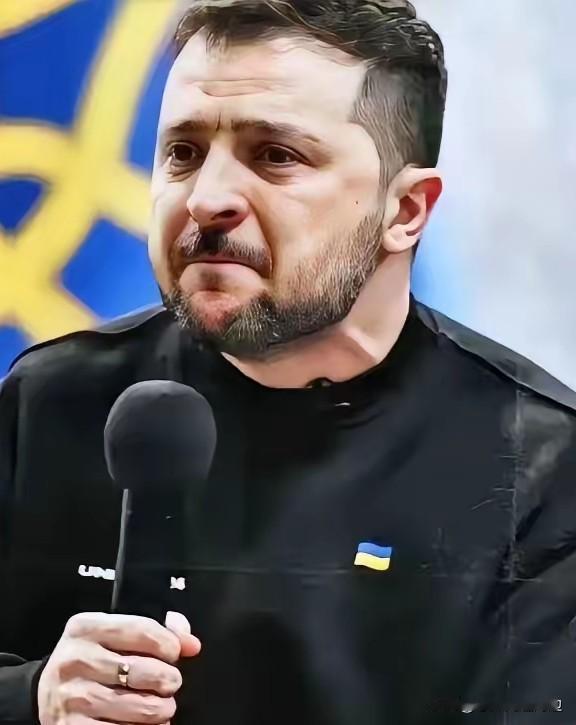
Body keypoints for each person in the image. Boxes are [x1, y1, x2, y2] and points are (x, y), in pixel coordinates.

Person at [1, 0, 575, 723]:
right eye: (183, 153)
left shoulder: (538, 468)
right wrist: (35, 697)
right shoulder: (52, 400)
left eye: (275, 155)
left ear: (406, 211)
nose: (207, 199)